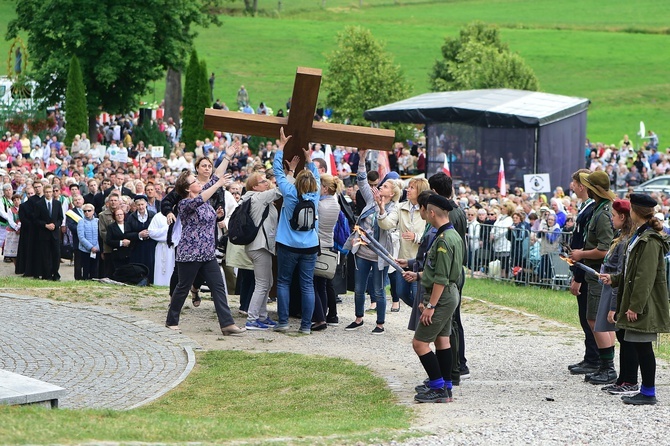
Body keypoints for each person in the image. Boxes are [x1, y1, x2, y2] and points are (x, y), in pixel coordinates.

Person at [600, 193, 670, 405]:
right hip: (637, 300)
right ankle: (644, 389)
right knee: (640, 346)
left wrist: (635, 306)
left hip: (644, 303)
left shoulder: (649, 240)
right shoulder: (638, 236)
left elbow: (644, 277)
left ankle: (648, 392)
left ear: (636, 212)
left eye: (631, 208)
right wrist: (613, 279)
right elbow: (631, 272)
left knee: (643, 347)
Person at [165, 161, 244, 336]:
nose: (199, 182)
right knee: (183, 287)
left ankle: (227, 324)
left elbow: (215, 177)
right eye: (194, 181)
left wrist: (228, 157)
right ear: (187, 188)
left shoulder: (202, 194)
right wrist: (217, 184)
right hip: (190, 254)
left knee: (218, 287)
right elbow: (209, 190)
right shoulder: (184, 204)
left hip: (207, 253)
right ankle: (171, 320)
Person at [409, 194, 464, 403]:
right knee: (442, 341)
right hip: (449, 293)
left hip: (441, 295)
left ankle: (437, 386)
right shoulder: (453, 235)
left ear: (432, 213)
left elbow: (440, 277)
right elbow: (443, 272)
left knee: (420, 343)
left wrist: (431, 305)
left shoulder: (442, 241)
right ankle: (446, 385)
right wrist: (419, 275)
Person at [272, 128, 320, 334]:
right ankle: (306, 326)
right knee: (307, 285)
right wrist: (309, 160)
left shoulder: (290, 192)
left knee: (283, 282)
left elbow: (277, 171)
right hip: (310, 245)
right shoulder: (315, 196)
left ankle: (283, 322)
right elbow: (316, 176)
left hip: (287, 243)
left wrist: (281, 147)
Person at [345, 152, 398, 335]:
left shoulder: (394, 209)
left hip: (380, 256)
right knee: (359, 288)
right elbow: (361, 181)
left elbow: (387, 225)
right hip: (363, 251)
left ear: (392, 193)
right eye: (380, 185)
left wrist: (381, 207)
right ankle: (358, 318)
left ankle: (380, 323)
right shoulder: (370, 200)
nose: (380, 187)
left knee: (378, 290)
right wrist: (361, 159)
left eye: (384, 186)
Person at [570, 171, 614, 376]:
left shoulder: (603, 212)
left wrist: (581, 254)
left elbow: (604, 249)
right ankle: (602, 365)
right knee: (594, 319)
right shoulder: (597, 209)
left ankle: (605, 366)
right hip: (592, 272)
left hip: (598, 273)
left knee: (597, 320)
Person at [590, 199, 634, 388]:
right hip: (610, 286)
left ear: (623, 217)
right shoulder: (620, 237)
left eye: (614, 216)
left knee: (622, 338)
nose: (611, 219)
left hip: (615, 290)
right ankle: (621, 378)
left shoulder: (624, 242)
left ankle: (624, 377)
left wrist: (614, 306)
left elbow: (619, 273)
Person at [567, 169, 599, 374]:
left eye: (576, 183)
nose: (573, 187)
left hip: (586, 270)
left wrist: (578, 276)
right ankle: (590, 356)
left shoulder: (591, 210)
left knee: (589, 316)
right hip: (580, 267)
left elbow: (585, 242)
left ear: (583, 186)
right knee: (584, 315)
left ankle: (595, 358)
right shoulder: (585, 207)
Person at [243, 172, 282, 331]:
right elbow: (280, 191)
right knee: (262, 284)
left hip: (260, 245)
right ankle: (252, 319)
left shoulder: (257, 199)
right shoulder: (258, 198)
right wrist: (290, 173)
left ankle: (262, 316)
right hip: (259, 246)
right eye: (262, 181)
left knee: (268, 283)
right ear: (254, 187)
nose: (266, 183)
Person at [311, 173, 343, 331]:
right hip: (328, 244)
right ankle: (322, 315)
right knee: (322, 284)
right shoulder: (335, 204)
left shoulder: (319, 205)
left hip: (317, 246)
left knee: (313, 284)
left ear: (324, 188)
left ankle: (319, 317)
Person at [392, 178, 429, 311]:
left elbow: (430, 236)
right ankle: (421, 313)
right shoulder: (401, 207)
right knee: (401, 292)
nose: (408, 190)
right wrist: (381, 210)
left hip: (418, 262)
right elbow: (388, 223)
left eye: (412, 188)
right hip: (403, 258)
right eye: (408, 187)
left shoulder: (427, 210)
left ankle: (422, 320)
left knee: (418, 295)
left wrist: (416, 237)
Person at [35, 184, 64, 281]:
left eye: (50, 192)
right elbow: (36, 219)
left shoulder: (57, 203)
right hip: (44, 234)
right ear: (44, 192)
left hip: (55, 233)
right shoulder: (39, 204)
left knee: (56, 254)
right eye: (46, 192)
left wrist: (56, 225)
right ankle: (46, 274)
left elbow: (60, 217)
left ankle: (55, 274)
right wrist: (45, 225)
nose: (48, 194)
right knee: (45, 254)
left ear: (53, 192)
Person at [77, 203, 100, 280]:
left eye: (89, 210)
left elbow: (99, 235)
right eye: (85, 211)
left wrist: (96, 247)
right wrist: (90, 247)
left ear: (93, 211)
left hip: (96, 249)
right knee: (86, 269)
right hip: (85, 250)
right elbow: (81, 237)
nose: (87, 212)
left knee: (95, 269)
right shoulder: (81, 222)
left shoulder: (97, 221)